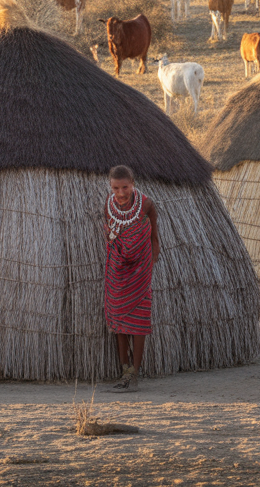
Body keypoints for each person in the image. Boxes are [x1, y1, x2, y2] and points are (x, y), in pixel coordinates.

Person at [103, 164, 160, 393]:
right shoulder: (108, 206)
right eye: (115, 188)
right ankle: (124, 371)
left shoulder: (146, 204)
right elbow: (110, 235)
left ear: (133, 184)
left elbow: (154, 236)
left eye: (125, 187)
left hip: (140, 270)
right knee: (118, 319)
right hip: (117, 270)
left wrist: (151, 259)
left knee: (138, 321)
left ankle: (134, 375)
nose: (121, 193)